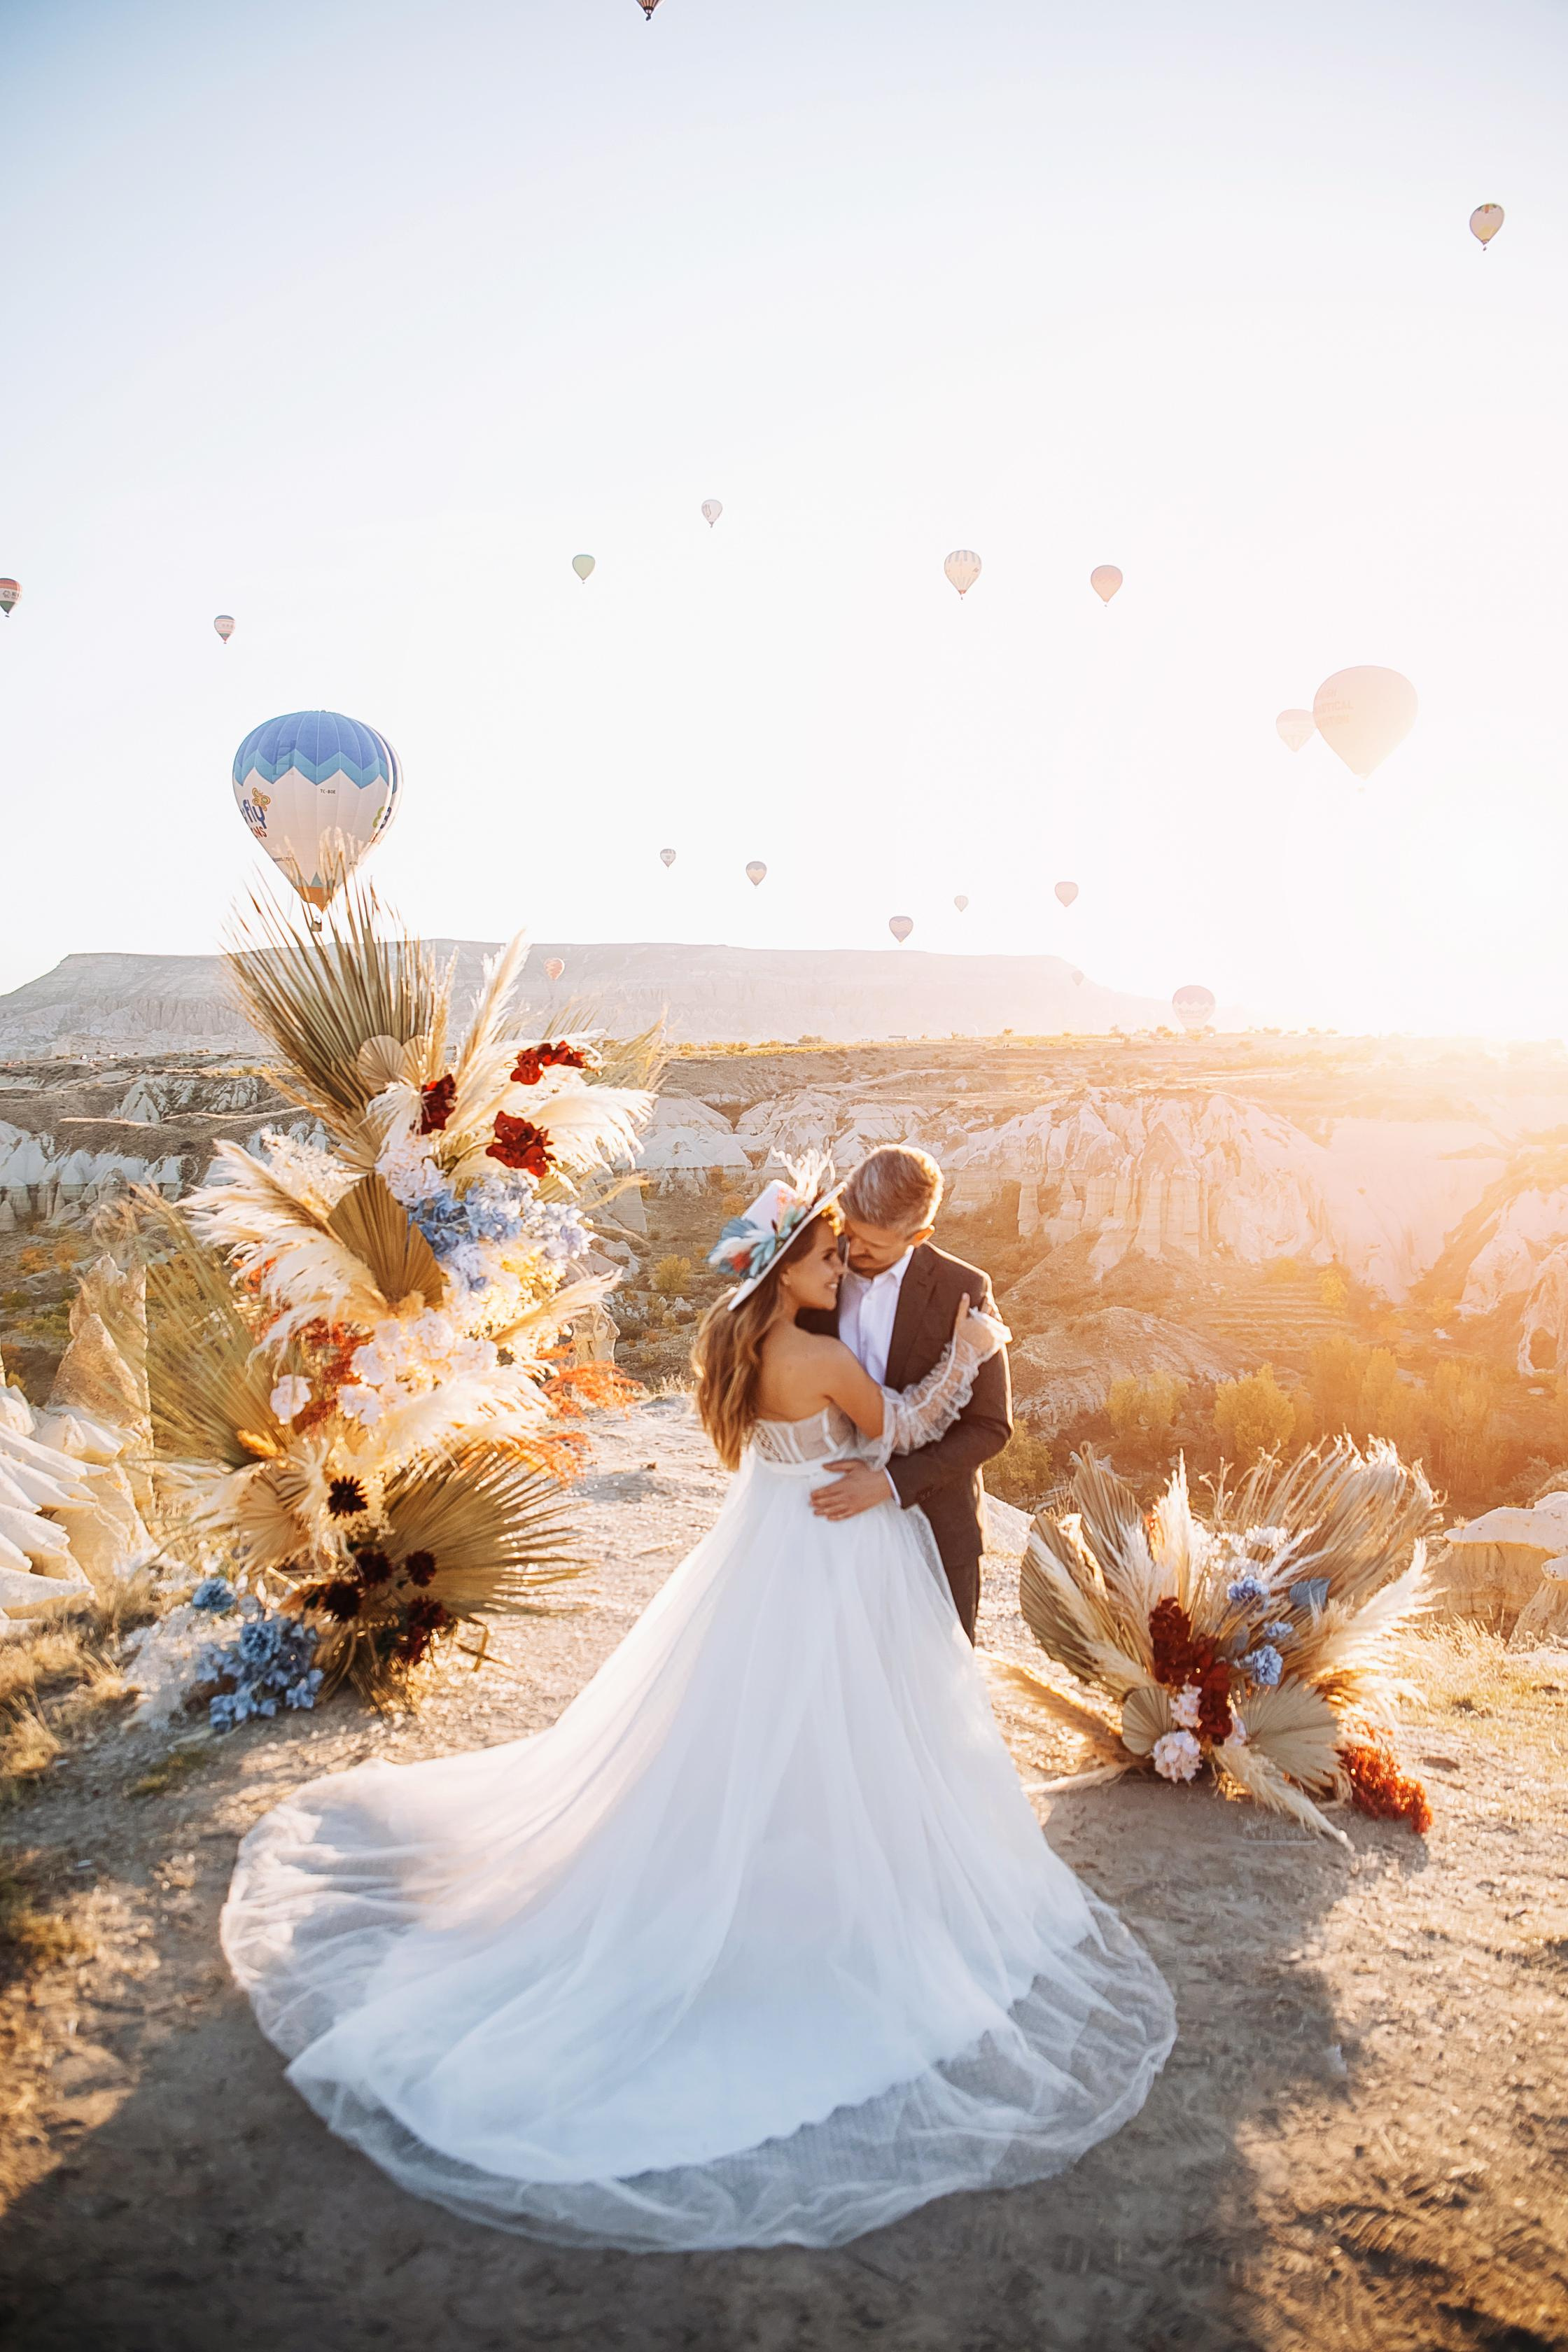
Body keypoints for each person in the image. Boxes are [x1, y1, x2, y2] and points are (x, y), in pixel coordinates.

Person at [221, 1162, 1173, 2253]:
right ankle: (832, 1889)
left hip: (782, 1542)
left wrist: (929, 1405)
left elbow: (969, 1436)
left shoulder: (741, 1334)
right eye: (833, 1250)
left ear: (916, 1231)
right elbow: (906, 1423)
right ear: (797, 1263)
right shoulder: (823, 1349)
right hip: (841, 1547)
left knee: (775, 1713)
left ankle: (815, 1847)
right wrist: (971, 1353)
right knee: (841, 1709)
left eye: (856, 1247)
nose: (847, 1261)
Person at [802, 1143, 1009, 1642]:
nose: (852, 1250)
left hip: (936, 1532)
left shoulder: (966, 1289)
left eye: (871, 1244)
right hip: (826, 1526)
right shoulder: (815, 1264)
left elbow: (990, 1427)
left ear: (919, 1236)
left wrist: (889, 1482)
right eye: (849, 1230)